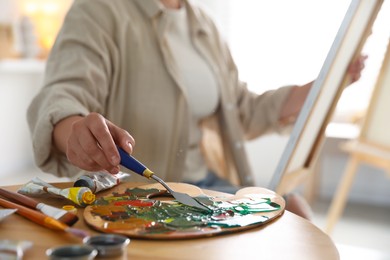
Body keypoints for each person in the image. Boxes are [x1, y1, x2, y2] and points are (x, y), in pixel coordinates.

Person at [27, 0, 365, 219]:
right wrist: (74, 130)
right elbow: (63, 93)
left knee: (295, 212)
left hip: (205, 188)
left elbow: (242, 111)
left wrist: (323, 85)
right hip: (136, 200)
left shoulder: (204, 26)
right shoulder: (98, 11)